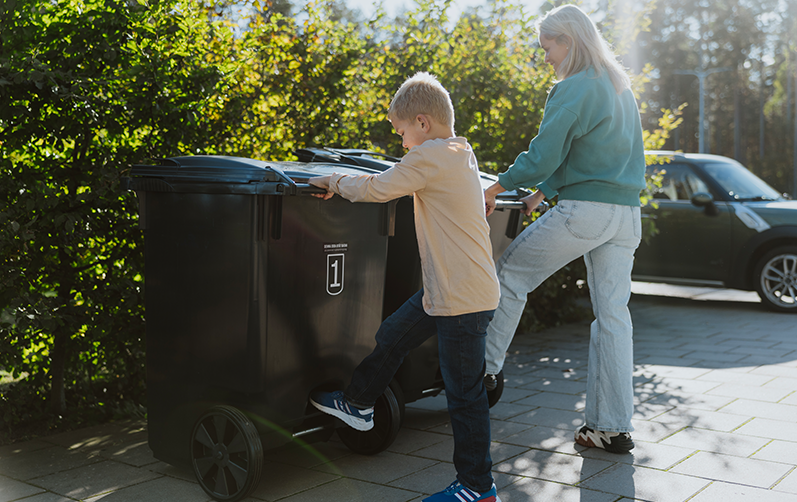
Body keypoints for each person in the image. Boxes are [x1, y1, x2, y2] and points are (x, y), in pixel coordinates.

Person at [308, 72, 502, 502]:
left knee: (465, 397)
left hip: (460, 298)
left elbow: (379, 188)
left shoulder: (431, 157)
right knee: (393, 334)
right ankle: (358, 404)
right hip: (449, 289)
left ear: (422, 123)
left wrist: (332, 181)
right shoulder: (458, 152)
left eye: (401, 133)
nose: (401, 144)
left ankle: (477, 488)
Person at [482, 4, 646, 454]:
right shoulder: (617, 86)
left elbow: (543, 155)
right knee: (612, 317)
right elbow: (598, 154)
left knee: (511, 273)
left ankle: (482, 371)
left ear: (568, 41)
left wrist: (498, 186)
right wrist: (543, 192)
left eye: (548, 47)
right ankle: (610, 428)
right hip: (625, 215)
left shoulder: (572, 88)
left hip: (587, 212)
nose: (546, 57)